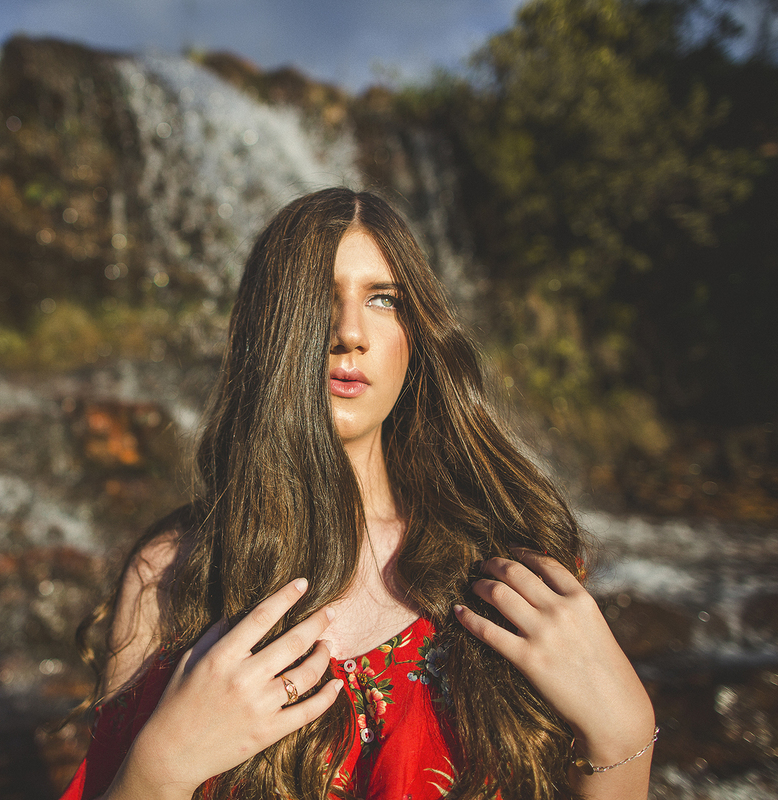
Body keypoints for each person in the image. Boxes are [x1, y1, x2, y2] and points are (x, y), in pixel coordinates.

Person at [59, 188, 655, 800]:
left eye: (382, 299)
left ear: (417, 336)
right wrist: (162, 765)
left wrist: (624, 733)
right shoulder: (171, 574)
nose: (349, 332)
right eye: (320, 298)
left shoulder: (514, 566)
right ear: (266, 328)